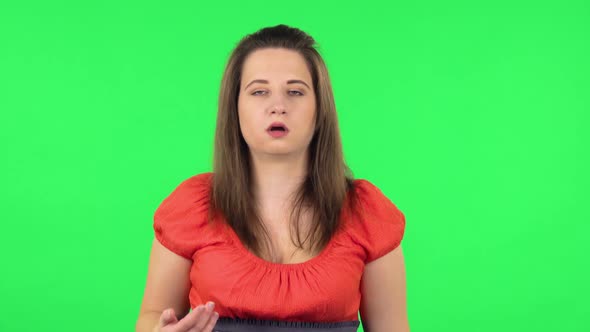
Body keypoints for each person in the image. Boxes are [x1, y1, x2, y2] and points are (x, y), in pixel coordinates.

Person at [135, 24, 409, 332]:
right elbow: (152, 314)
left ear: (320, 110)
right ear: (234, 108)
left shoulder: (367, 213)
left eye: (295, 92)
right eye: (259, 91)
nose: (278, 106)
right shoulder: (192, 206)